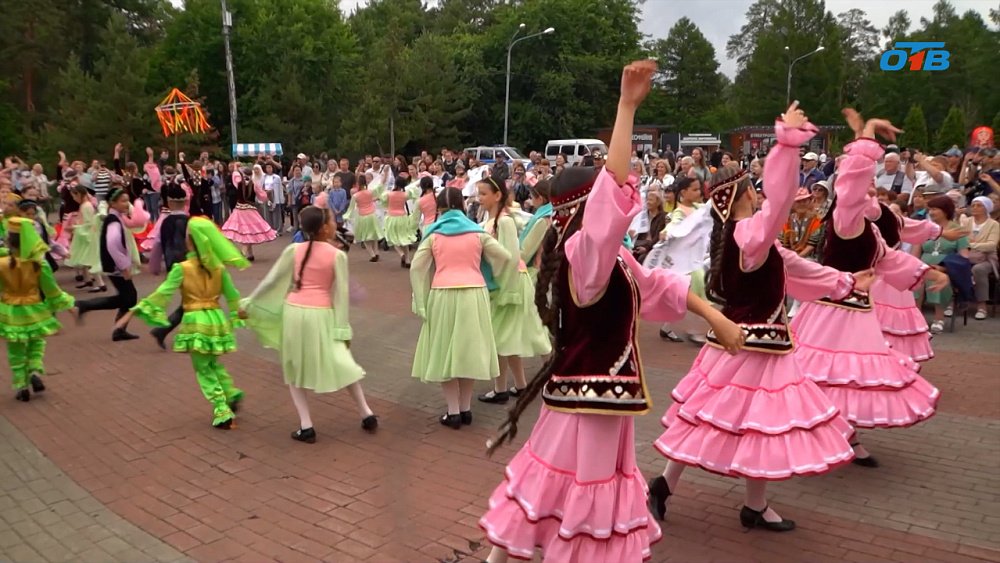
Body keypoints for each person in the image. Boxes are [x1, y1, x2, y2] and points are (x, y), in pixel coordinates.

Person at [478, 60, 745, 563]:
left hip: (593, 394)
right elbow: (608, 207)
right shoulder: (586, 252)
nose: (622, 198)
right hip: (595, 398)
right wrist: (625, 108)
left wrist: (714, 315)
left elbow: (658, 284)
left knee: (547, 482)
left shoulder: (610, 257)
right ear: (586, 207)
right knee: (581, 496)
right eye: (604, 193)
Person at [651, 103, 872, 532]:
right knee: (745, 424)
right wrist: (786, 146)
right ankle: (712, 496)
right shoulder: (749, 234)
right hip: (752, 348)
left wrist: (846, 282)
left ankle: (692, 491)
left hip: (746, 345)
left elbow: (799, 267)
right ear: (743, 196)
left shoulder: (752, 240)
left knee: (727, 421)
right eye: (754, 189)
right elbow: (781, 204)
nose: (761, 193)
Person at [790, 109, 950, 466]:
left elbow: (889, 260)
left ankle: (846, 435)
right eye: (866, 186)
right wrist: (864, 140)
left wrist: (927, 272)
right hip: (832, 309)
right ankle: (819, 431)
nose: (869, 189)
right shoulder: (846, 218)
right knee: (824, 373)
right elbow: (850, 182)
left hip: (858, 309)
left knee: (850, 377)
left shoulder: (869, 225)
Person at [241, 206, 378, 442]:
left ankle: (306, 425)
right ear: (325, 227)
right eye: (332, 220)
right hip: (321, 313)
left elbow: (271, 281)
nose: (335, 224)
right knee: (341, 360)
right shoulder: (338, 255)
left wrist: (250, 303)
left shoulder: (294, 250)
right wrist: (342, 329)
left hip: (294, 312)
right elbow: (341, 295)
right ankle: (366, 412)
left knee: (294, 366)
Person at [117, 217, 248, 429]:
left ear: (190, 242)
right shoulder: (218, 268)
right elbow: (233, 296)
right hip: (215, 320)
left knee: (203, 369)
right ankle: (230, 392)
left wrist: (134, 311)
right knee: (211, 362)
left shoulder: (182, 268)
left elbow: (163, 293)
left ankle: (222, 409)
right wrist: (239, 313)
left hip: (196, 322)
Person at [410, 187, 511, 427]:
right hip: (474, 293)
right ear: (463, 205)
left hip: (443, 295)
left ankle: (452, 411)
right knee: (468, 350)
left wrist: (420, 300)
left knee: (445, 351)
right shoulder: (477, 233)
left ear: (439, 208)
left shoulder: (433, 234)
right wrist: (490, 274)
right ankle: (465, 409)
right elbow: (505, 256)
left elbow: (416, 268)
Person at [476, 177, 552, 404]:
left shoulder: (505, 221)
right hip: (506, 283)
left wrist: (502, 288)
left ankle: (503, 388)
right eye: (479, 193)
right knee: (508, 338)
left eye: (483, 194)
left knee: (506, 336)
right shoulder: (493, 219)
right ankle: (518, 384)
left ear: (497, 195)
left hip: (509, 284)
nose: (479, 198)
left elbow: (510, 256)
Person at [0, 217, 76, 401]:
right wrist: (69, 306)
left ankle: (21, 385)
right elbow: (52, 292)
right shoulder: (38, 264)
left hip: (10, 310)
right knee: (37, 342)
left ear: (10, 240)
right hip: (34, 307)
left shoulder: (2, 263)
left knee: (15, 347)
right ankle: (34, 370)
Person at [76, 188, 143, 341]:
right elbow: (112, 244)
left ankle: (118, 329)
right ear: (113, 203)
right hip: (116, 267)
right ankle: (85, 306)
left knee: (128, 298)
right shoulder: (113, 221)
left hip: (115, 265)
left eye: (128, 200)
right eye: (123, 201)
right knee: (129, 298)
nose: (127, 204)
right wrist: (124, 266)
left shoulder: (116, 217)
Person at [147, 184, 192, 349]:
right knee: (191, 302)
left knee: (189, 301)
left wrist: (155, 266)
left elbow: (158, 244)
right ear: (186, 201)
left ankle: (164, 330)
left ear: (168, 202)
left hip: (172, 265)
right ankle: (166, 330)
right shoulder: (189, 222)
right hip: (189, 265)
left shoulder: (165, 222)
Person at [221, 167, 276, 261]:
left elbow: (235, 175)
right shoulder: (254, 184)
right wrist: (267, 198)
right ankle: (249, 254)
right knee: (248, 231)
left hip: (239, 210)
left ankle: (245, 252)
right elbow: (262, 196)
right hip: (250, 210)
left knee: (246, 231)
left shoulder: (238, 183)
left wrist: (236, 168)